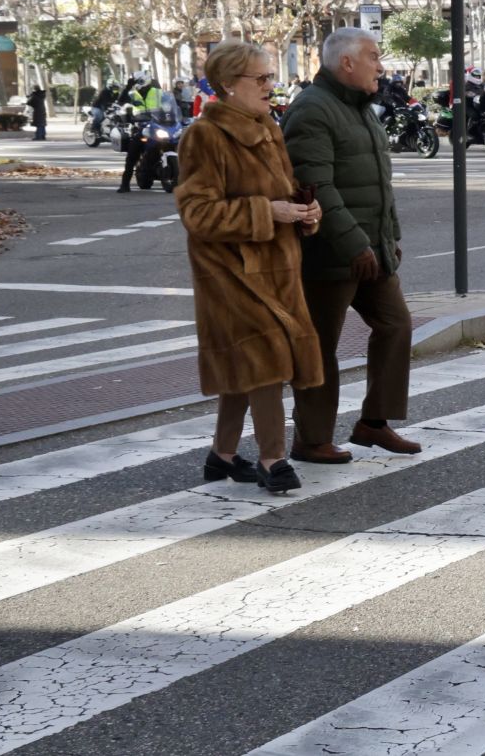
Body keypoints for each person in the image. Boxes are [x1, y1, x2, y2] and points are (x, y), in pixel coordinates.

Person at [176, 39, 324, 494]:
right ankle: (272, 459)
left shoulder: (267, 127)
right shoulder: (205, 135)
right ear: (227, 85)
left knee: (247, 364)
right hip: (231, 273)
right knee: (267, 360)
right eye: (259, 78)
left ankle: (221, 456)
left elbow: (286, 191)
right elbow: (197, 213)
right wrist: (267, 213)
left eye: (270, 76)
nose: (269, 86)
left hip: (277, 268)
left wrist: (305, 212)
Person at [281, 27, 418, 465]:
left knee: (396, 326)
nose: (381, 65)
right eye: (374, 57)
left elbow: (379, 185)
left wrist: (386, 240)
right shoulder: (312, 110)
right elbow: (315, 186)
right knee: (320, 346)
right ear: (347, 63)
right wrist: (356, 244)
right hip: (329, 254)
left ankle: (373, 423)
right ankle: (311, 438)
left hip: (369, 250)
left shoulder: (361, 108)